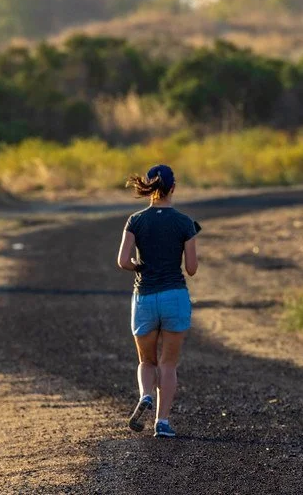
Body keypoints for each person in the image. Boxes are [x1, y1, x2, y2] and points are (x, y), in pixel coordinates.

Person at [117, 164, 200, 438]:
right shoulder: (184, 222)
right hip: (174, 296)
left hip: (145, 297)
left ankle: (146, 394)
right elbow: (191, 268)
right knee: (168, 364)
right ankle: (162, 423)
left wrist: (139, 266)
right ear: (173, 187)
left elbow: (123, 261)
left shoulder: (136, 220)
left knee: (146, 361)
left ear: (149, 187)